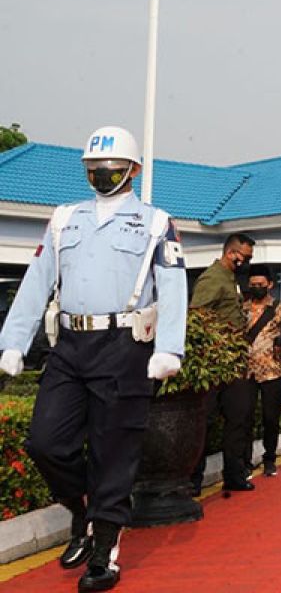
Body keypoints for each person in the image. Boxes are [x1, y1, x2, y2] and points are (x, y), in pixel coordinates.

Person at [0, 126, 187, 591]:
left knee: (114, 449)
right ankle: (83, 511)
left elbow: (174, 287)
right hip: (70, 345)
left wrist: (168, 348)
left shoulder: (156, 222)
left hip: (124, 346)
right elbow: (38, 278)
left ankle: (104, 550)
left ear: (134, 170)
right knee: (45, 441)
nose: (103, 175)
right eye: (94, 168)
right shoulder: (65, 218)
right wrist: (13, 342)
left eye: (112, 168)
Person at [190, 232, 256, 494]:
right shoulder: (212, 278)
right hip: (215, 363)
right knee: (203, 421)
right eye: (246, 257)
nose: (247, 263)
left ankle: (234, 475)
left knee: (238, 418)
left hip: (234, 363)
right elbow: (195, 318)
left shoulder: (230, 280)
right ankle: (192, 480)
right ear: (231, 253)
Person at [240, 266, 281, 478]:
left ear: (270, 285)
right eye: (253, 285)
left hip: (272, 371)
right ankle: (245, 461)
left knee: (271, 417)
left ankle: (269, 458)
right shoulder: (242, 309)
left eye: (261, 285)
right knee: (244, 417)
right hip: (246, 371)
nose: (257, 288)